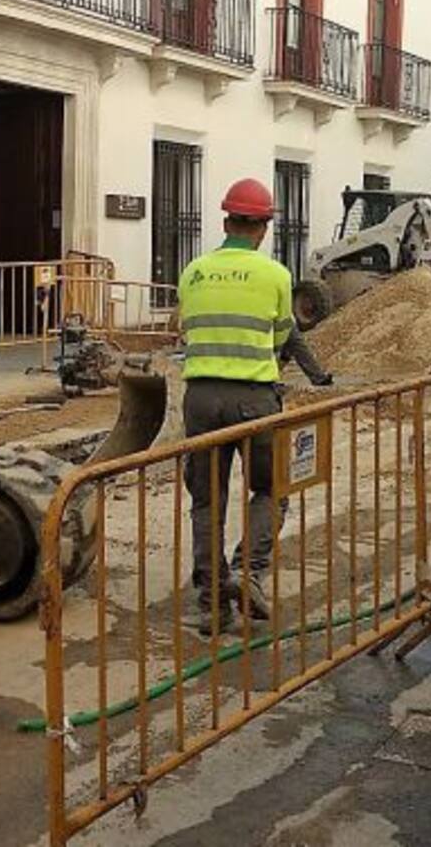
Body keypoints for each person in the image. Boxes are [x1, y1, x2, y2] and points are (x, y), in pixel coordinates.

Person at [177, 178, 293, 636]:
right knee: (271, 489)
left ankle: (212, 604)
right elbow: (282, 338)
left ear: (226, 220)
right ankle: (248, 574)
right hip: (255, 398)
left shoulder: (194, 272)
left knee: (207, 500)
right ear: (263, 228)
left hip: (201, 399)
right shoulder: (276, 276)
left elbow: (187, 329)